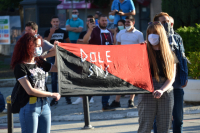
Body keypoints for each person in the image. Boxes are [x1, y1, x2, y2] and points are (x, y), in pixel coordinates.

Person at [10, 33, 61, 133]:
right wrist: (52, 94)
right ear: (28, 47)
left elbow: (56, 68)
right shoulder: (20, 67)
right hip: (29, 106)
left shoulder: (39, 62)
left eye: (39, 46)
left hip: (44, 105)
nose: (39, 48)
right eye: (36, 46)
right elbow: (30, 91)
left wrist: (57, 52)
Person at [137, 21, 178, 133]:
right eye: (149, 33)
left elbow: (171, 77)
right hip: (146, 90)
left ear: (161, 35)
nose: (152, 36)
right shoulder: (142, 52)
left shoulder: (170, 53)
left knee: (164, 127)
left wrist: (162, 90)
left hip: (166, 90)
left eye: (155, 33)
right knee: (145, 126)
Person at [153, 12, 188, 133]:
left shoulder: (177, 38)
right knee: (159, 119)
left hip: (176, 84)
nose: (166, 24)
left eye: (167, 22)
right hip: (160, 84)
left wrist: (184, 76)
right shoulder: (153, 38)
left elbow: (182, 58)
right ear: (156, 24)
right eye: (163, 22)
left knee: (178, 118)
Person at [110, 16, 144, 108]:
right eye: (126, 22)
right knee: (120, 80)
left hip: (134, 60)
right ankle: (117, 101)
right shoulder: (121, 33)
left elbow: (141, 48)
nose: (127, 24)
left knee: (132, 81)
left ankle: (131, 101)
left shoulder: (139, 34)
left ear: (133, 22)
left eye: (129, 22)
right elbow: (118, 45)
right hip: (122, 60)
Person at [83, 14, 115, 111]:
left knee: (107, 83)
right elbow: (84, 41)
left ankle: (105, 105)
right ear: (98, 21)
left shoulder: (109, 32)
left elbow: (113, 45)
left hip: (107, 61)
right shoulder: (94, 30)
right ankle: (86, 105)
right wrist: (90, 30)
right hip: (94, 61)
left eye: (105, 20)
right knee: (93, 84)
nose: (104, 22)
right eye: (102, 20)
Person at [44, 15, 71, 106]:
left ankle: (68, 98)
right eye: (54, 22)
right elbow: (44, 44)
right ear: (51, 23)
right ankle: (55, 99)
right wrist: (51, 34)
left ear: (59, 22)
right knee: (54, 78)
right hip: (51, 56)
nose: (55, 23)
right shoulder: (47, 31)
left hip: (61, 55)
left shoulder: (63, 32)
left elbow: (68, 43)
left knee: (64, 76)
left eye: (57, 22)